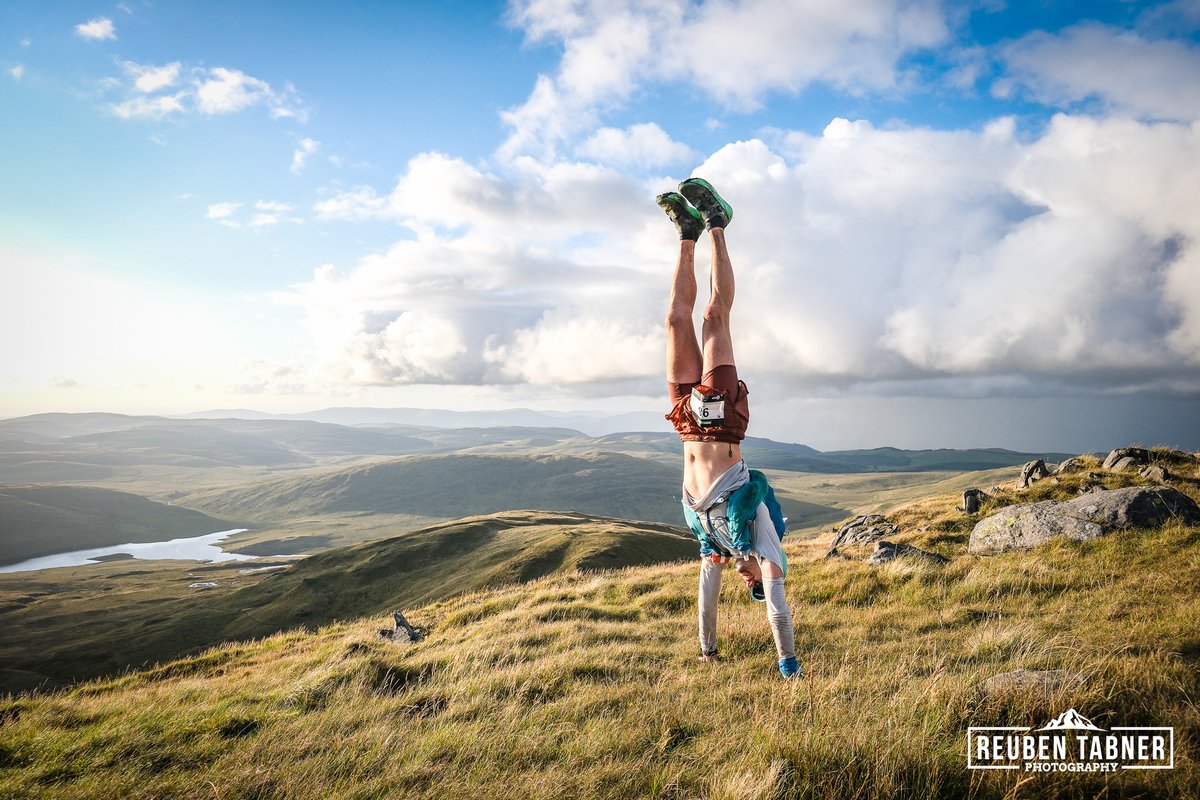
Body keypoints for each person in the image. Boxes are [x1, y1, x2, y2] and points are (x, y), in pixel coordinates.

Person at [656, 177, 801, 679]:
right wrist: (788, 663)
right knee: (715, 316)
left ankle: (687, 233)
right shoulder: (763, 538)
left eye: (751, 585)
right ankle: (718, 223)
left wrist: (708, 651)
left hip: (685, 424)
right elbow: (778, 608)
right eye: (756, 580)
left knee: (676, 320)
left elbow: (706, 596)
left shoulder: (717, 545)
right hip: (721, 428)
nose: (750, 580)